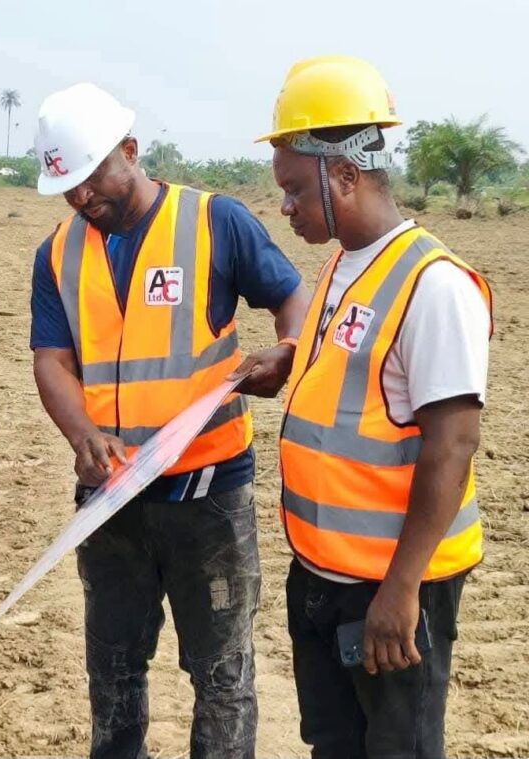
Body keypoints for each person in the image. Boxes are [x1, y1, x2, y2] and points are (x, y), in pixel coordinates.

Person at [30, 82, 309, 759]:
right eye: (65, 186)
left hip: (208, 495)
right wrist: (81, 436)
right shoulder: (58, 254)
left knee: (221, 673)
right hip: (113, 499)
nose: (80, 197)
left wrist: (291, 354)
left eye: (90, 177)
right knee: (115, 671)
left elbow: (292, 295)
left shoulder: (215, 221)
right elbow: (52, 360)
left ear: (130, 149)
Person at [241, 56, 492, 758]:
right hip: (322, 574)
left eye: (293, 189)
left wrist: (401, 590)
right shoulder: (343, 263)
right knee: (335, 744)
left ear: (344, 175)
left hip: (391, 590)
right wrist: (290, 357)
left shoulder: (434, 286)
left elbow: (452, 444)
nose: (284, 206)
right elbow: (361, 371)